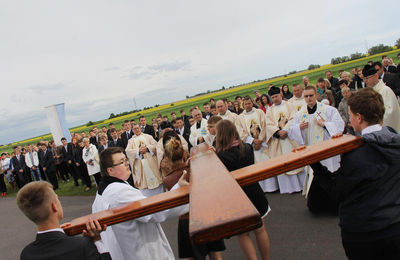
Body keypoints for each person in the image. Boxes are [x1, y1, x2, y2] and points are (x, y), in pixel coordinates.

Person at [310, 88, 400, 259]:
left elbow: (336, 191)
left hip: (365, 234)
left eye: (351, 115)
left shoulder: (357, 155)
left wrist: (315, 164)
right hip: (395, 225)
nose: (350, 120)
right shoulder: (395, 139)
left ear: (359, 118)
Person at [92, 147, 189, 260]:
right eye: (122, 162)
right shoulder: (119, 192)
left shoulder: (100, 196)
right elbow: (156, 211)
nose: (127, 163)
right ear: (110, 170)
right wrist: (185, 195)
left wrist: (178, 187)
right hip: (142, 252)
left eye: (126, 159)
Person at [161, 133, 226, 260]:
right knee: (215, 254)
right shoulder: (196, 166)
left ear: (168, 158)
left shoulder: (167, 180)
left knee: (192, 257)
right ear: (184, 153)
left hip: (187, 220)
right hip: (207, 213)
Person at [215, 120, 270, 260]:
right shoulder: (247, 147)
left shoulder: (220, 156)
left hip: (237, 198)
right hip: (254, 191)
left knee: (243, 234)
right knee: (260, 229)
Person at [17, 181, 111, 260]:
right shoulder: (81, 246)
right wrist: (97, 240)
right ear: (54, 206)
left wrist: (61, 233)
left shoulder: (26, 254)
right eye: (57, 199)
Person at [289, 86, 344, 213]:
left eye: (311, 95)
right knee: (318, 175)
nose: (309, 99)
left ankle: (335, 205)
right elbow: (292, 131)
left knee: (330, 175)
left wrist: (325, 124)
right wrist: (299, 128)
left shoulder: (329, 110)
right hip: (313, 152)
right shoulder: (300, 114)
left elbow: (340, 126)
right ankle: (319, 206)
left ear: (316, 96)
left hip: (328, 151)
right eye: (306, 96)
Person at [265, 87, 305, 194]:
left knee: (296, 160)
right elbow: (268, 124)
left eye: (276, 96)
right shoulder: (269, 110)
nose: (275, 99)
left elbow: (294, 118)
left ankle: (301, 185)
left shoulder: (289, 105)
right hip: (279, 140)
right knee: (283, 163)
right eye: (272, 97)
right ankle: (288, 188)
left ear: (281, 95)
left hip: (290, 137)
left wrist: (286, 130)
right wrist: (278, 132)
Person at [237, 96, 275, 193]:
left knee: (267, 164)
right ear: (243, 105)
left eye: (249, 103)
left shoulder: (259, 112)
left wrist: (260, 140)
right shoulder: (240, 117)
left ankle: (272, 186)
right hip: (251, 145)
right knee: (256, 166)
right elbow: (240, 132)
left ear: (252, 103)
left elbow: (265, 125)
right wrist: (253, 141)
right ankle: (262, 188)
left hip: (263, 144)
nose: (248, 105)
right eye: (245, 104)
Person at [125, 123, 163, 196]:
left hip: (151, 163)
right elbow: (128, 151)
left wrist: (147, 148)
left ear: (140, 128)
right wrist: (138, 151)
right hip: (141, 166)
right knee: (145, 186)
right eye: (135, 129)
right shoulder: (131, 141)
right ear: (132, 130)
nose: (137, 130)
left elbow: (156, 145)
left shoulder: (148, 137)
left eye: (138, 128)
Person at [362, 64, 400, 132]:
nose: (365, 81)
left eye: (367, 78)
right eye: (364, 79)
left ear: (375, 76)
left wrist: (374, 122)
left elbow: (390, 113)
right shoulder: (368, 93)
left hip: (388, 131)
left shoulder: (385, 90)